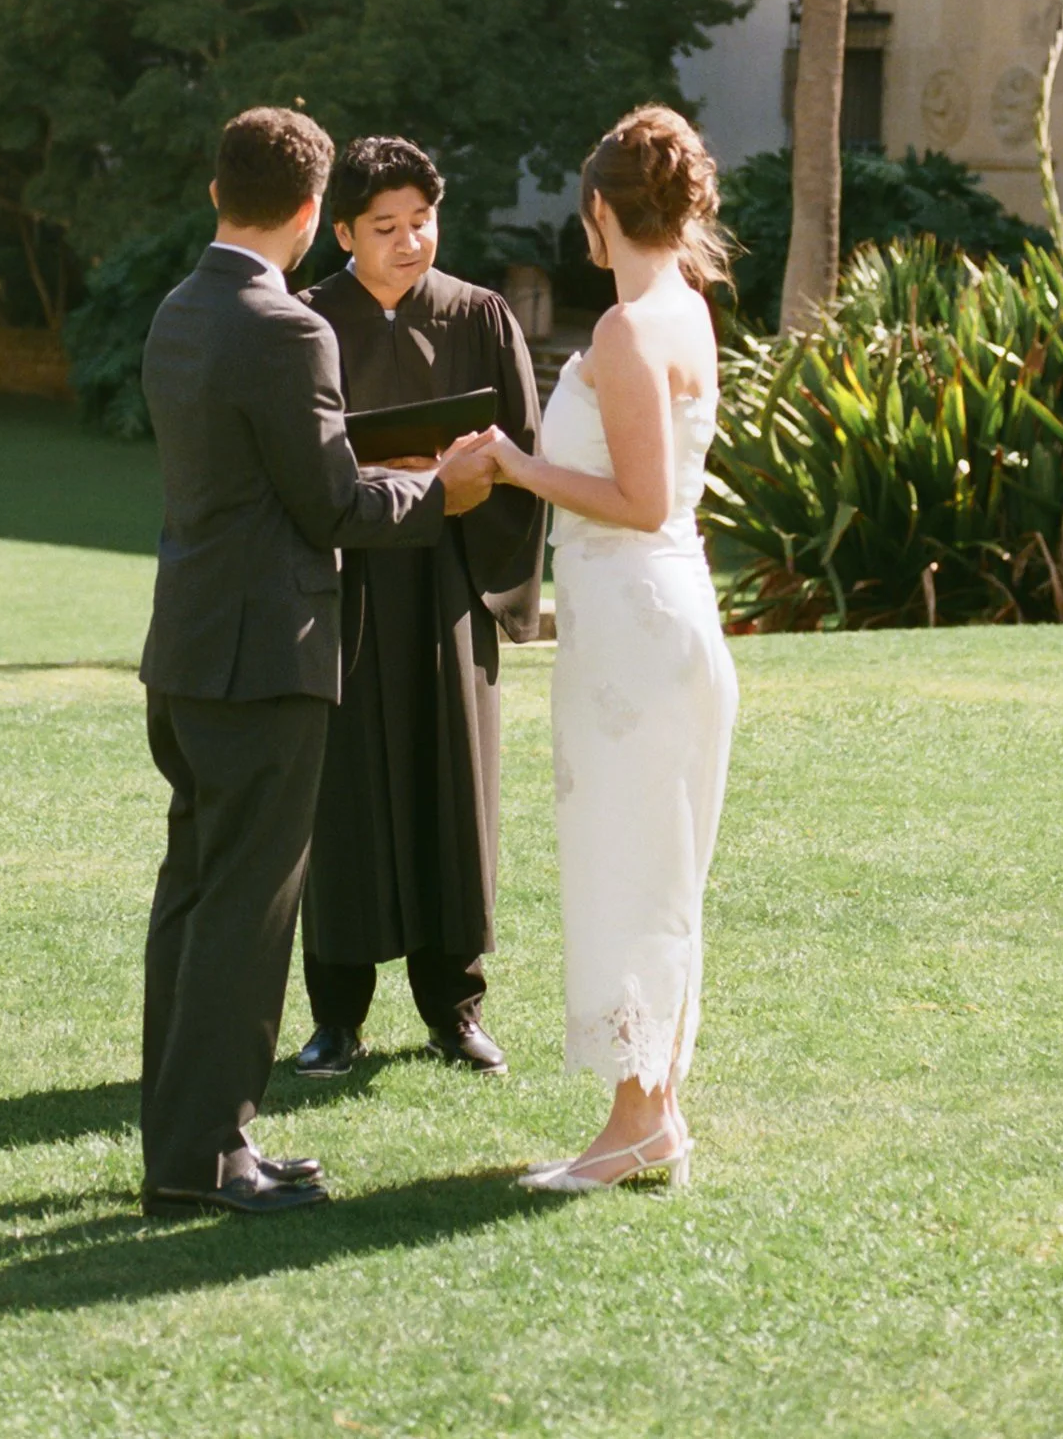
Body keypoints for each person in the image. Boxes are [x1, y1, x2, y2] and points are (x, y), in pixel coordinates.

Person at [137, 103, 494, 1218]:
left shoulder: (178, 308)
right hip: (265, 662)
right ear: (310, 213)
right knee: (244, 914)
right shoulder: (289, 327)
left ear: (216, 195)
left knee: (194, 904)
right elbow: (333, 502)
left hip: (188, 649)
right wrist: (445, 488)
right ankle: (210, 1160)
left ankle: (188, 1145)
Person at [467, 105, 738, 1196]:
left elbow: (641, 497)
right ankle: (652, 1111)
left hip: (635, 621)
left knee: (631, 863)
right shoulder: (688, 311)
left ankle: (636, 1121)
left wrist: (515, 466)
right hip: (661, 614)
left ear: (596, 213)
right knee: (656, 862)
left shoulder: (631, 332)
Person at [294, 135, 546, 1079]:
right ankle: (337, 1016)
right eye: (386, 227)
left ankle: (456, 1006)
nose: (410, 242)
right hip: (345, 584)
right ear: (345, 231)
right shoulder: (306, 322)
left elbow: (521, 459)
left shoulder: (479, 316)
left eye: (423, 222)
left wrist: (459, 485)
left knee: (453, 790)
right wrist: (386, 478)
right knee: (344, 798)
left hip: (445, 586)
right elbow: (292, 467)